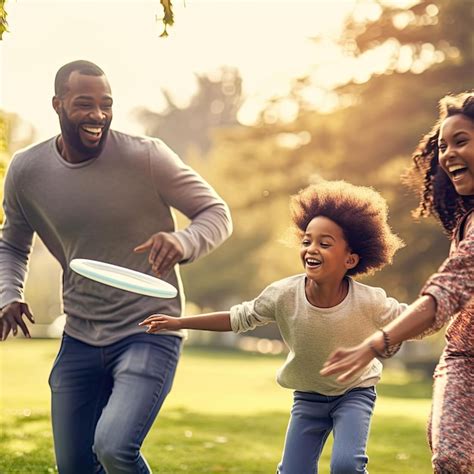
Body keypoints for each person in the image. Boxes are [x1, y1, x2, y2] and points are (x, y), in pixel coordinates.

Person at [0, 59, 232, 473]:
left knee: (113, 447)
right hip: (80, 334)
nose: (98, 115)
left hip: (150, 328)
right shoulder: (26, 171)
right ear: (57, 104)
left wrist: (183, 241)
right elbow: (13, 244)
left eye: (106, 104)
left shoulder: (146, 156)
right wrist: (8, 294)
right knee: (75, 466)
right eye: (84, 104)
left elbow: (215, 211)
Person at [140, 179, 407, 474]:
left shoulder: (370, 301)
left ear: (351, 258)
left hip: (354, 393)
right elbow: (237, 318)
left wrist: (450, 304)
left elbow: (414, 318)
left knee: (346, 466)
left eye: (325, 243)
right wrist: (178, 321)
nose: (311, 249)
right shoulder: (283, 294)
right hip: (308, 396)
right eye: (306, 241)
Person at [320, 92, 474, 474]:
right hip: (466, 363)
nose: (448, 154)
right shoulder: (467, 224)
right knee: (454, 460)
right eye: (443, 145)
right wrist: (381, 340)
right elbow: (445, 294)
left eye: (461, 141)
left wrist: (378, 342)